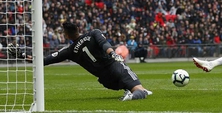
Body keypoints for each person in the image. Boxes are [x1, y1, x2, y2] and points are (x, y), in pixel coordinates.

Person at [7, 22, 152, 101]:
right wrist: (113, 54)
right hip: (114, 67)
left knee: (131, 85)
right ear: (78, 29)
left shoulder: (69, 50)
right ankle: (132, 95)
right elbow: (104, 44)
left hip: (106, 80)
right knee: (141, 91)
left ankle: (128, 89)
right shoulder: (93, 33)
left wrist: (22, 55)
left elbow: (44, 61)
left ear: (66, 35)